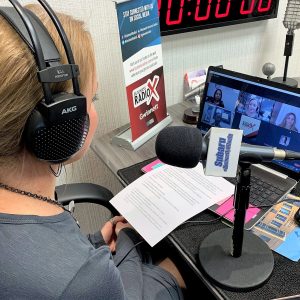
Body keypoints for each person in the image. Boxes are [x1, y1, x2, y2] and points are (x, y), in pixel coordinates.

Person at [0, 4, 185, 299]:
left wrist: (96, 243)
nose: (94, 110)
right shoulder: (82, 280)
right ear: (63, 120)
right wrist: (166, 276)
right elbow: (79, 280)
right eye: (93, 97)